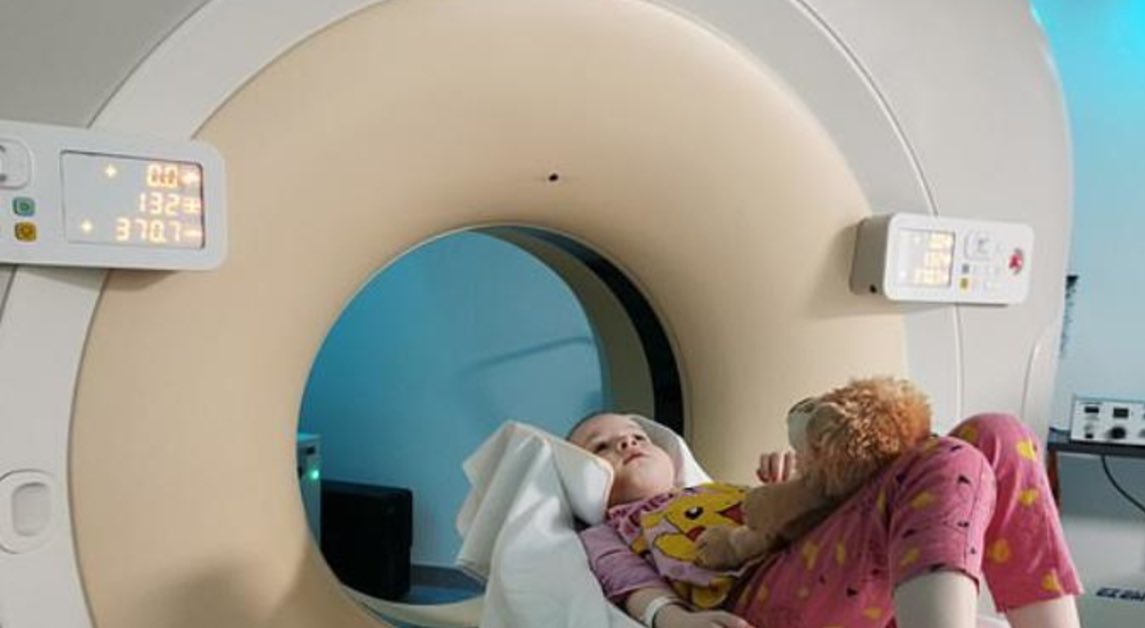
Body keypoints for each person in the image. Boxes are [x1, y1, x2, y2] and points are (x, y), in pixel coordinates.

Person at [571, 405, 1083, 628]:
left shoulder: (718, 489)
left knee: (998, 432)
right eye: (603, 445)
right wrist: (675, 620)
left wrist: (799, 485)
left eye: (637, 436)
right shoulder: (608, 529)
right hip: (758, 600)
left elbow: (796, 519)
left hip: (822, 566)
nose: (627, 443)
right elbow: (629, 583)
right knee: (949, 460)